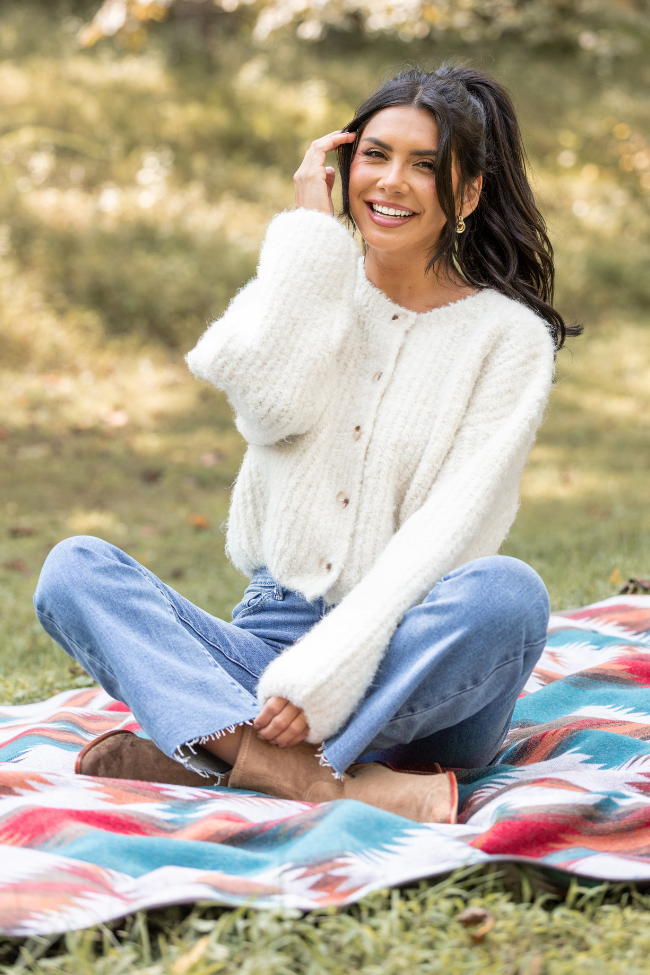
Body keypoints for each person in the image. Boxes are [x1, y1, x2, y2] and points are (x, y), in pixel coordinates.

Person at [34, 64, 577, 825]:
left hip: (412, 665)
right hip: (272, 646)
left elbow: (447, 530)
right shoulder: (309, 277)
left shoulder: (507, 339)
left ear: (469, 193)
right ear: (343, 166)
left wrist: (328, 676)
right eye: (376, 155)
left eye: (425, 166)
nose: (392, 182)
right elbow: (266, 402)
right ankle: (313, 779)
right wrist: (307, 241)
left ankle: (224, 753)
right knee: (74, 570)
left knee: (508, 593)